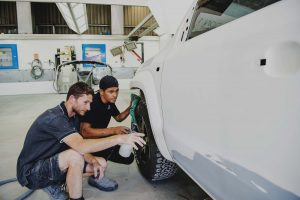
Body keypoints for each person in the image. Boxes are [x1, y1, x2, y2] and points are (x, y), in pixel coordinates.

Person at [16, 82, 145, 200]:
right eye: (86, 102)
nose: (89, 108)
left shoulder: (74, 117)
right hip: (31, 172)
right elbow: (81, 146)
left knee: (101, 164)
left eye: (90, 103)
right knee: (74, 156)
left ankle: (55, 183)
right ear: (72, 99)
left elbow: (78, 145)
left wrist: (93, 160)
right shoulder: (55, 119)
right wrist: (119, 138)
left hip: (53, 161)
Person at [80, 75, 135, 191]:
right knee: (112, 151)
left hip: (98, 138)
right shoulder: (92, 103)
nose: (115, 95)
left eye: (117, 91)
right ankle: (95, 176)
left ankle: (98, 158)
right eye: (111, 91)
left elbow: (119, 118)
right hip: (84, 143)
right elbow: (85, 132)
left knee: (128, 158)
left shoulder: (109, 102)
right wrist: (113, 131)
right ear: (101, 91)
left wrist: (131, 107)